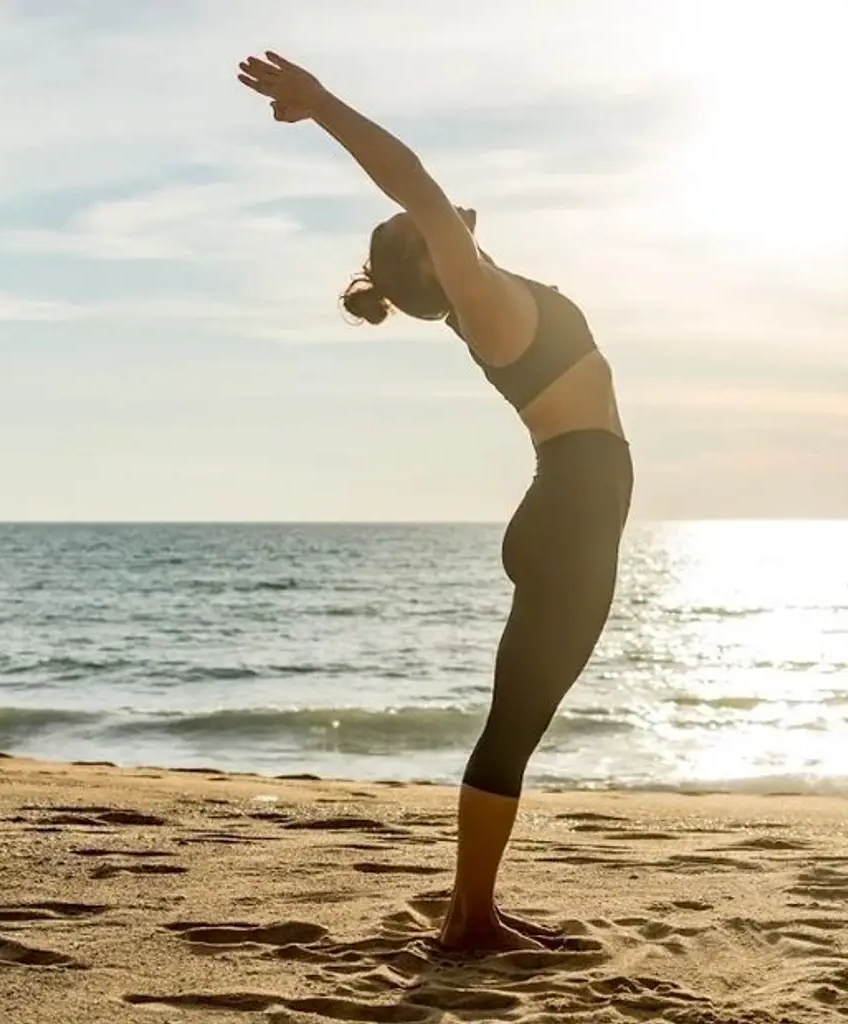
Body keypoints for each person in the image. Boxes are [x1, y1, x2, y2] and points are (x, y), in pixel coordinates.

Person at [237, 52, 634, 952]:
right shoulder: (485, 300)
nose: (438, 212)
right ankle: (470, 919)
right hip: (571, 514)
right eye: (419, 223)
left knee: (519, 721)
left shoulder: (488, 297)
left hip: (570, 511)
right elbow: (412, 179)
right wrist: (324, 103)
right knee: (516, 725)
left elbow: (418, 196)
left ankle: (472, 908)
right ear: (431, 256)